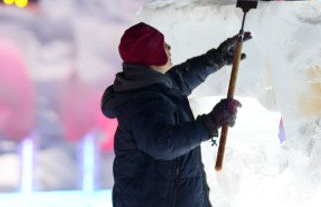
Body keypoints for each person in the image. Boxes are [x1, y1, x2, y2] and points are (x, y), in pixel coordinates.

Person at [101, 22, 249, 206]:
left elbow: (179, 80)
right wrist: (210, 123)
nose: (168, 47)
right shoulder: (143, 103)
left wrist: (214, 59)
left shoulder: (149, 88)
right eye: (161, 44)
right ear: (150, 55)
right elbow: (163, 144)